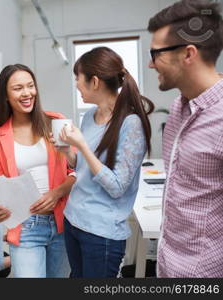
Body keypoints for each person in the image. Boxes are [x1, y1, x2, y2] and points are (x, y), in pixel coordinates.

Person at [55, 47, 154, 278]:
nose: (77, 85)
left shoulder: (131, 124)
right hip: (73, 221)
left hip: (101, 234)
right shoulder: (89, 116)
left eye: (78, 79)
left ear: (95, 82)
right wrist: (66, 151)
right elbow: (83, 166)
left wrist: (83, 146)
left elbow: (118, 187)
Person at [148, 0, 223, 277]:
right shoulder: (179, 108)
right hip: (168, 266)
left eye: (155, 54)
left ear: (188, 54)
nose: (150, 63)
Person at [0, 64, 75, 278]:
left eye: (30, 86)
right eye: (18, 88)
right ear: (6, 96)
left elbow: (77, 171)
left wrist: (56, 193)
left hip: (63, 222)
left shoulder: (55, 121)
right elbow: (4, 188)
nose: (27, 93)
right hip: (27, 226)